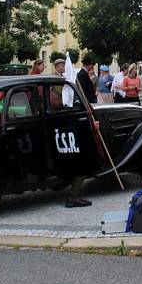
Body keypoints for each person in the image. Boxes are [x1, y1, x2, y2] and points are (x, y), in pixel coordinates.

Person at [50, 57, 91, 208]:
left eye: (63, 64)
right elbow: (56, 100)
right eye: (60, 65)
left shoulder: (66, 79)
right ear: (56, 66)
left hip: (63, 124)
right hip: (63, 124)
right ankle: (74, 195)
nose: (62, 67)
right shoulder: (56, 81)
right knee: (78, 160)